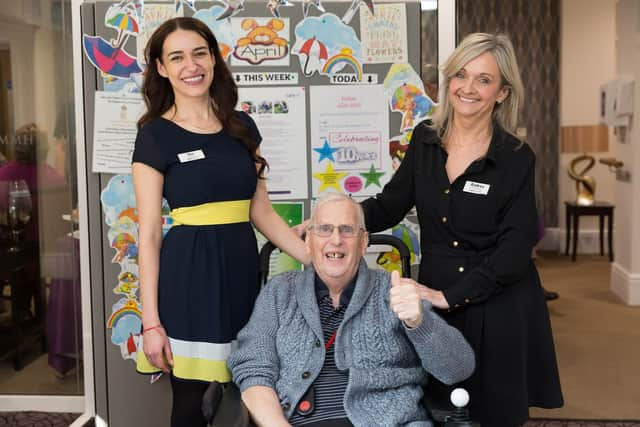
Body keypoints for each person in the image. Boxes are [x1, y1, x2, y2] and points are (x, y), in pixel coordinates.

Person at [360, 33, 564, 426]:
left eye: (484, 80)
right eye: (461, 75)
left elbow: (516, 249)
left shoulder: (515, 158)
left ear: (502, 93)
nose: (468, 88)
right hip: (438, 303)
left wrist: (447, 295)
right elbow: (390, 204)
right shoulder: (424, 139)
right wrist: (338, 222)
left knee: (492, 413)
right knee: (438, 409)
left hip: (497, 301)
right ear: (449, 80)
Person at [131, 17, 308, 427]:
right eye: (176, 57)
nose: (190, 66)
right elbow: (151, 233)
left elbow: (261, 212)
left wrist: (316, 257)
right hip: (187, 281)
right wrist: (152, 323)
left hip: (241, 277)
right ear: (161, 68)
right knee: (192, 404)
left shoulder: (242, 127)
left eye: (199, 53)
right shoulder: (154, 136)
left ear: (213, 58)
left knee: (252, 392)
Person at [228, 194, 475, 427]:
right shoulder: (280, 292)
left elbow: (458, 369)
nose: (336, 240)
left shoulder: (394, 290)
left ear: (364, 242)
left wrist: (419, 323)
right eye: (324, 229)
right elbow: (254, 368)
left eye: (347, 230)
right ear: (308, 241)